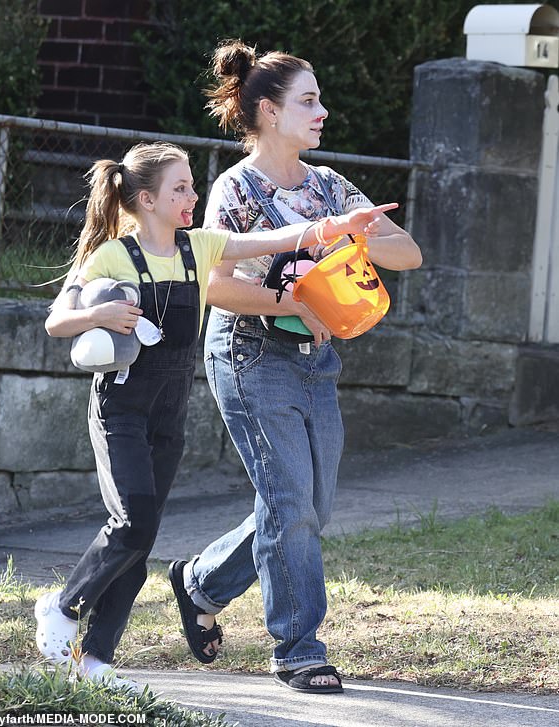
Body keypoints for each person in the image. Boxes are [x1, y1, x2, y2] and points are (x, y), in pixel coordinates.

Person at [33, 140, 396, 690]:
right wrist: (101, 312)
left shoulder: (198, 248)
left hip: (168, 412)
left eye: (191, 186)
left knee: (143, 537)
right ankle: (62, 608)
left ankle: (97, 659)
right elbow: (58, 321)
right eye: (180, 188)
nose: (192, 196)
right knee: (131, 524)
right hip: (120, 409)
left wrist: (337, 225)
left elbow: (275, 238)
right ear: (147, 199)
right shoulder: (112, 256)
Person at [168, 41, 422, 694]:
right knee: (290, 503)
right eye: (308, 101)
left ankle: (199, 582)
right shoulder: (236, 190)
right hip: (251, 355)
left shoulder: (329, 185)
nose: (323, 111)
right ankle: (300, 649)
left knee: (312, 507)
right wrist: (289, 296)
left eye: (319, 99)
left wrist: (355, 231)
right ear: (268, 112)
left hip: (317, 361)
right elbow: (216, 284)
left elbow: (410, 254)